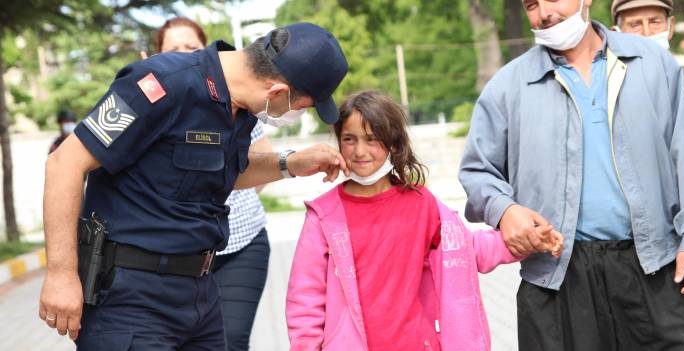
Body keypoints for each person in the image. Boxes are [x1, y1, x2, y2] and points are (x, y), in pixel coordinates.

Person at [38, 22, 349, 351]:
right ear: (277, 92)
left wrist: (289, 164)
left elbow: (227, 172)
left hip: (200, 296)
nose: (296, 115)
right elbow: (64, 164)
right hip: (131, 301)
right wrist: (61, 274)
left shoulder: (241, 108)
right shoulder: (159, 85)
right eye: (302, 107)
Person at [459, 0, 684, 349]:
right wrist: (504, 209)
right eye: (531, 5)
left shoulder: (652, 64)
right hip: (557, 276)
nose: (544, 13)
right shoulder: (508, 87)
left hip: (658, 265)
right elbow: (477, 170)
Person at [286, 91, 563, 351]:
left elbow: (467, 249)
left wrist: (527, 239)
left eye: (372, 139)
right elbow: (305, 300)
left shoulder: (421, 204)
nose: (360, 151)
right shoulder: (324, 216)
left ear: (394, 143)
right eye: (349, 139)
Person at [154, 17, 275, 351]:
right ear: (153, 56)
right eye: (173, 48)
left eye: (191, 47)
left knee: (229, 341)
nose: (183, 54)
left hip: (240, 243)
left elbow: (262, 157)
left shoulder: (235, 97)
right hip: (175, 253)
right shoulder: (150, 104)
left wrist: (222, 192)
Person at [611, 0, 684, 130]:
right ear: (616, 35)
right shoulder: (607, 89)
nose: (647, 33)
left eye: (655, 22)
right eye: (635, 24)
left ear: (670, 27)